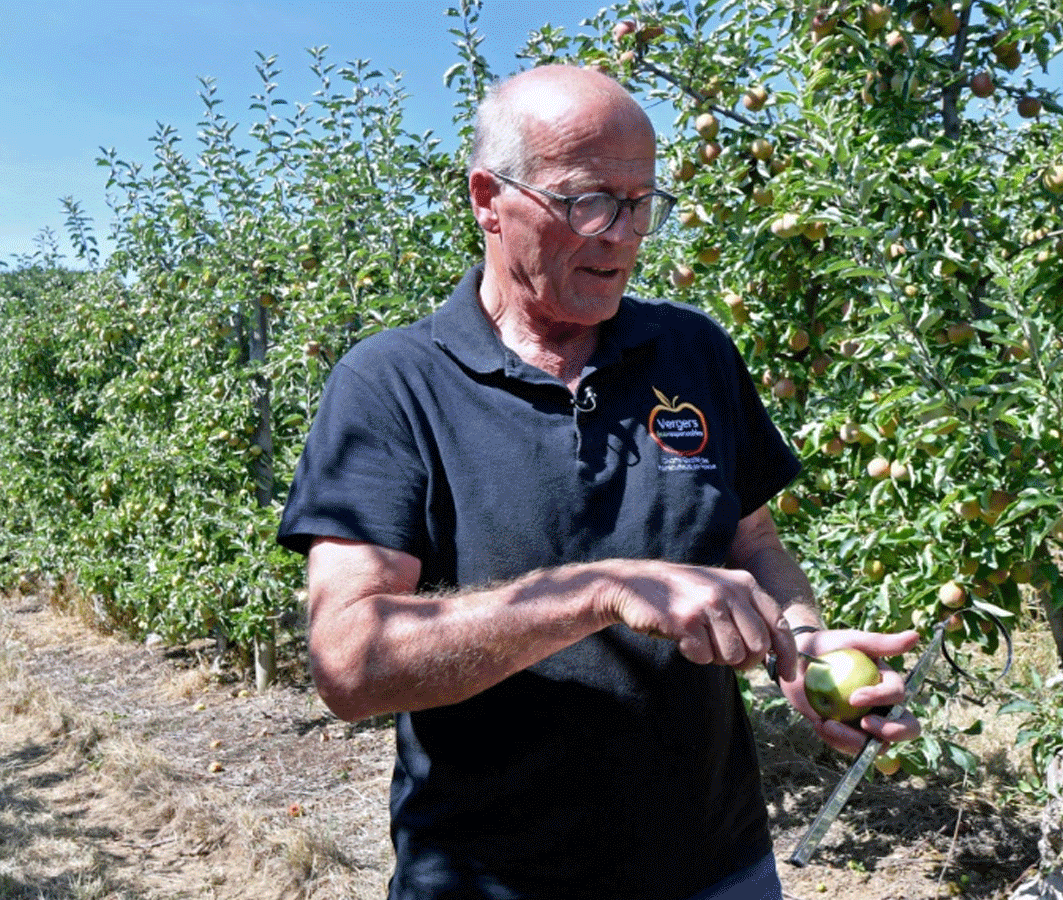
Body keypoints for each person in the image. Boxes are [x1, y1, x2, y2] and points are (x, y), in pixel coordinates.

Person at [276, 64, 921, 900]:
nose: (621, 234)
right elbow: (350, 664)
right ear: (487, 198)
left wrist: (799, 648)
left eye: (641, 201)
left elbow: (752, 542)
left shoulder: (694, 353)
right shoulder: (394, 384)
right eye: (586, 201)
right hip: (494, 880)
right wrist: (601, 590)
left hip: (717, 868)